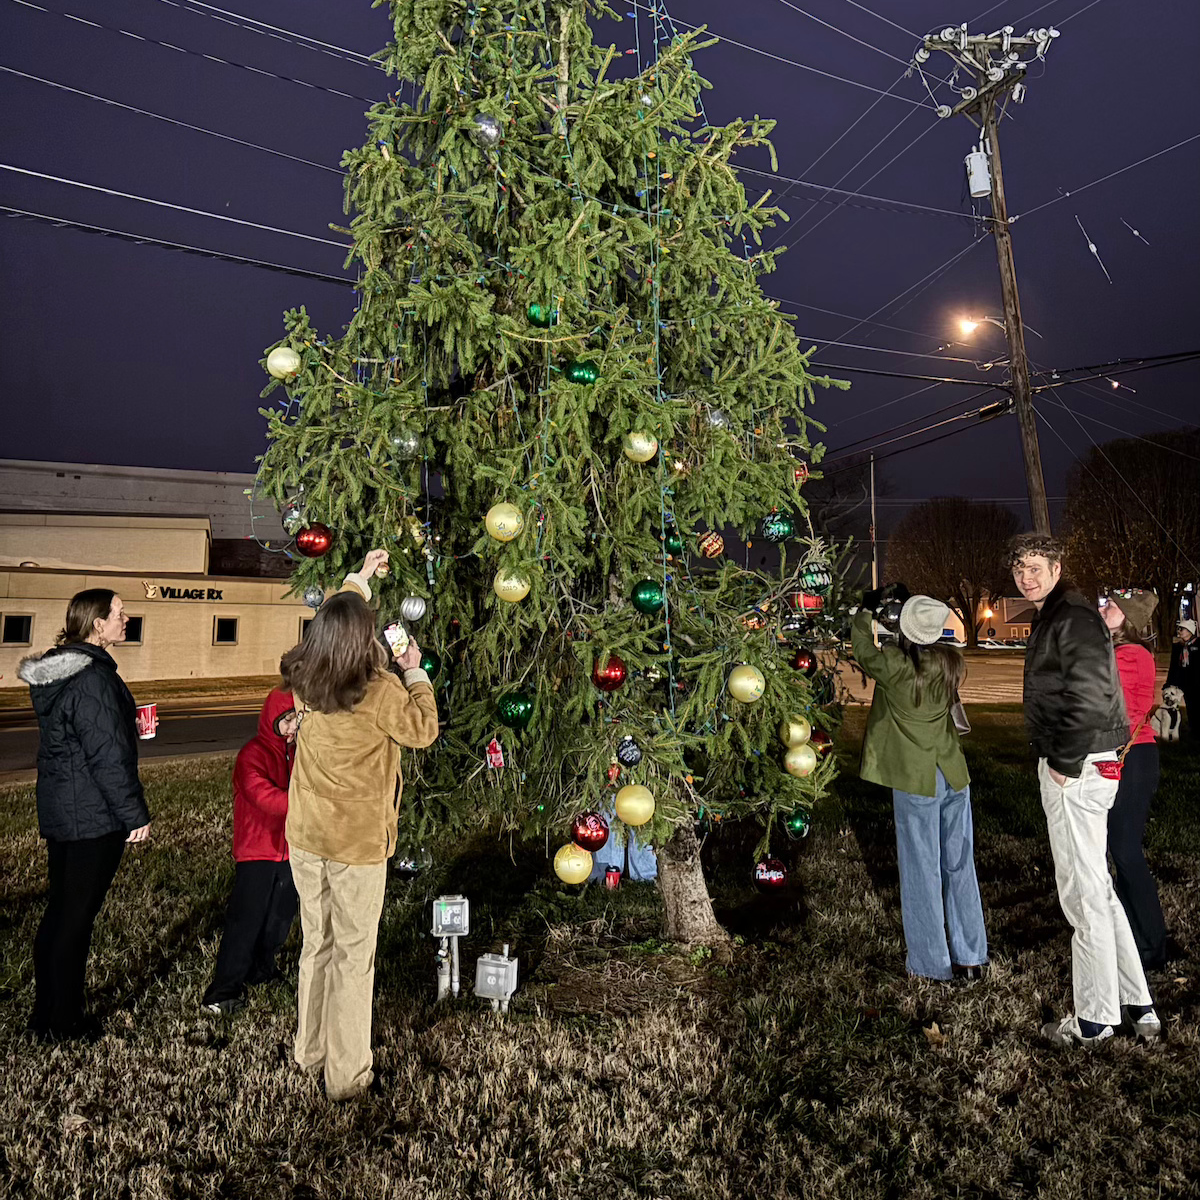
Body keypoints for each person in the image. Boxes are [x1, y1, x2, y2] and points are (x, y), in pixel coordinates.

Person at [282, 549, 439, 1101]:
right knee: (353, 956)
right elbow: (422, 729)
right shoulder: (378, 692)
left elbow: (334, 612)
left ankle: (310, 1052)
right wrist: (414, 671)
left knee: (315, 944)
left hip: (306, 836)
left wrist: (362, 578)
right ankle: (346, 1077)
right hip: (354, 847)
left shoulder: (306, 674)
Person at [1009, 534, 1159, 1046]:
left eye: (1035, 566)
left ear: (1056, 566)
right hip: (1090, 763)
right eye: (1019, 568)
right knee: (1098, 886)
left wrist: (1065, 762)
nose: (1026, 576)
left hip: (1077, 767)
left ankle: (1095, 1019)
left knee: (1082, 895)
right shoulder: (1063, 611)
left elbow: (1092, 692)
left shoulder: (1069, 614)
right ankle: (1138, 1002)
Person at [17, 589, 152, 1042]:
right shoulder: (92, 678)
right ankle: (65, 1022)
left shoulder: (64, 675)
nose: (126, 617)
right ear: (97, 623)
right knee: (74, 920)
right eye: (119, 612)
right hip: (93, 816)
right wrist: (134, 815)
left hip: (65, 811)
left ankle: (45, 1015)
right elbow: (107, 756)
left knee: (61, 914)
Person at [851, 595, 987, 983]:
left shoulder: (897, 666)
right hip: (953, 773)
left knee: (921, 869)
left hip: (916, 779)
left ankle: (931, 963)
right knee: (960, 864)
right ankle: (971, 955)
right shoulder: (949, 662)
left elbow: (863, 648)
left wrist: (865, 614)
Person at [202, 688, 302, 1014]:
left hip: (288, 852)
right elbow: (262, 796)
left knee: (279, 918)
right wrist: (305, 805)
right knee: (246, 920)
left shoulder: (298, 754)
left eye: (297, 721)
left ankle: (262, 969)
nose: (292, 728)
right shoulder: (253, 754)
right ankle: (223, 990)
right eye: (286, 721)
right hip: (257, 852)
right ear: (271, 719)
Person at [1099, 589, 1168, 972]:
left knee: (1126, 852)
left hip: (1135, 759)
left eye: (1110, 606)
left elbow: (1109, 703)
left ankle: (1152, 944)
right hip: (1121, 759)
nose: (1104, 608)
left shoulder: (1132, 654)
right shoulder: (1115, 651)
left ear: (1126, 617)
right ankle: (1133, 935)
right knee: (1118, 851)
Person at [1166, 617, 1198, 741]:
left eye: (1183, 629)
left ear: (1190, 631)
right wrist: (1170, 682)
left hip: (1196, 682)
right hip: (1185, 682)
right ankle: (1192, 728)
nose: (1180, 632)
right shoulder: (1178, 647)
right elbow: (1174, 666)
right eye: (1180, 629)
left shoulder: (1197, 645)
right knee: (1190, 705)